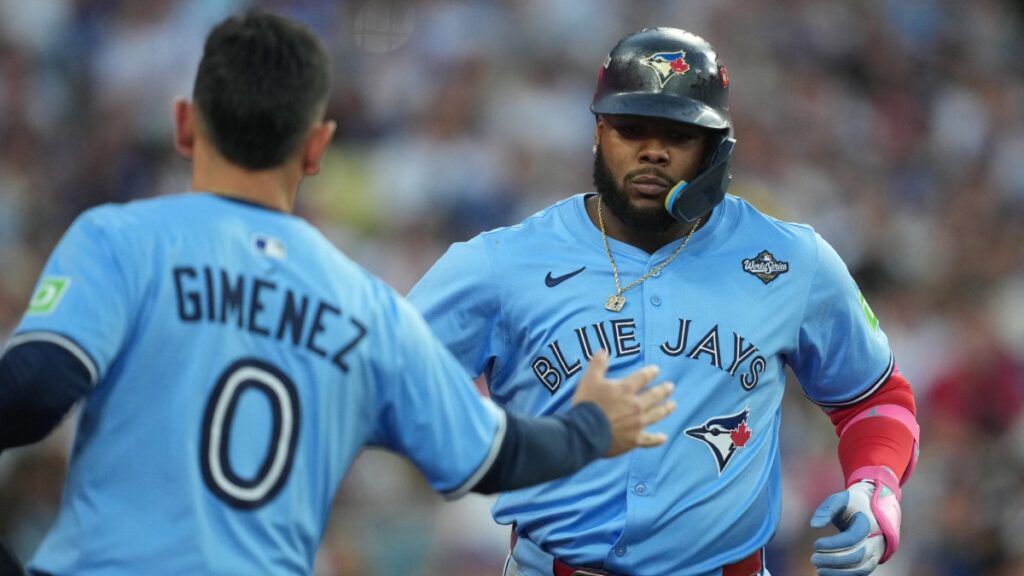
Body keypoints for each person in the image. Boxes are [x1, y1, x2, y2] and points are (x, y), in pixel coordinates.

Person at [0, 13, 679, 575]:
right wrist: (593, 425)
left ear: (184, 125)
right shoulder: (367, 305)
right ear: (318, 147)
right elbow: (495, 459)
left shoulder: (123, 240)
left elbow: (33, 391)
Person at [408, 27, 921, 576]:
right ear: (598, 133)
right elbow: (380, 383)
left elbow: (875, 399)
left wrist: (877, 485)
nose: (652, 150)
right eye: (631, 129)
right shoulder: (503, 263)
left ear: (715, 149)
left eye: (677, 134)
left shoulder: (790, 260)